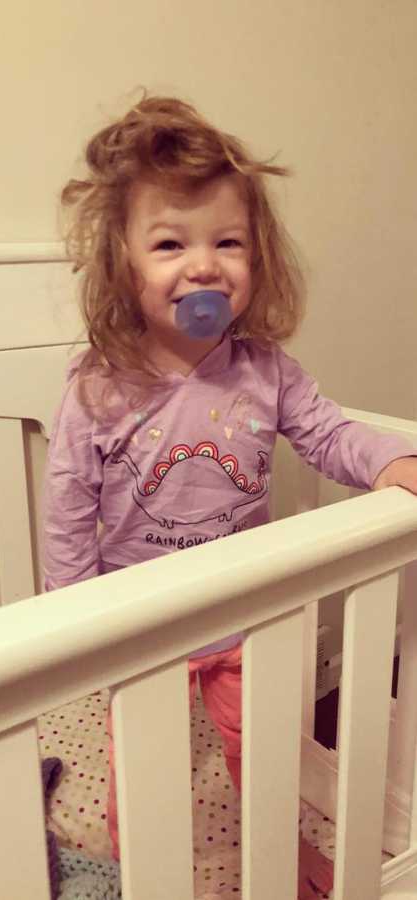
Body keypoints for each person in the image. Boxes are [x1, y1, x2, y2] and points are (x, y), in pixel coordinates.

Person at [43, 95, 417, 900]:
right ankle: (133, 862)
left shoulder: (265, 372)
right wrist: (71, 616)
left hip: (245, 615)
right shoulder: (101, 388)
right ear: (124, 262)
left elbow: (327, 433)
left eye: (228, 243)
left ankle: (278, 850)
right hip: (142, 615)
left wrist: (391, 460)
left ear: (257, 259)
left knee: (264, 743)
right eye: (171, 243)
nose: (204, 264)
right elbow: (69, 503)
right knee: (138, 756)